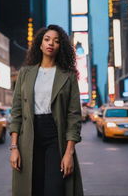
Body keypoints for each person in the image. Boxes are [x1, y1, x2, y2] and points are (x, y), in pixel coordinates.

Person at [9, 25, 83, 196]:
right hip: (29, 136)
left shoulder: (68, 75)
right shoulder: (25, 73)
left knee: (54, 189)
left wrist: (69, 152)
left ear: (60, 47)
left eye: (56, 41)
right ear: (40, 44)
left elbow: (74, 116)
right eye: (47, 39)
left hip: (55, 136)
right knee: (32, 188)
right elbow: (17, 111)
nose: (51, 43)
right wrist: (14, 148)